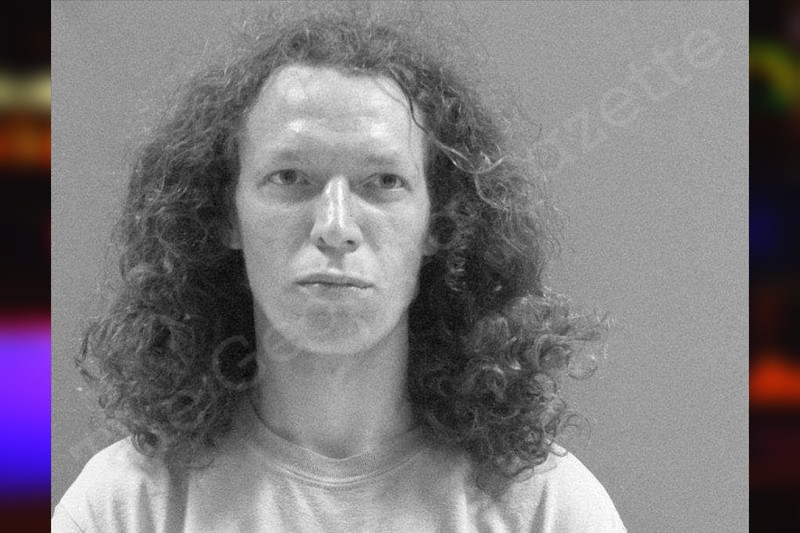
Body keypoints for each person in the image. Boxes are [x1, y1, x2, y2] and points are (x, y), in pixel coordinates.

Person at [53, 9, 626, 532]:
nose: (335, 225)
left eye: (383, 182)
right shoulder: (122, 508)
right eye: (290, 178)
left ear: (440, 223)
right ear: (225, 214)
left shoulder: (546, 509)